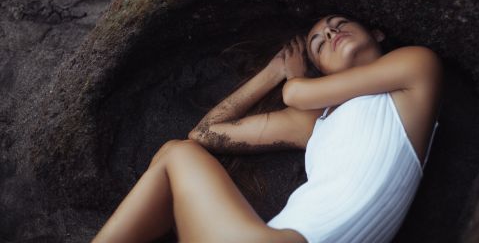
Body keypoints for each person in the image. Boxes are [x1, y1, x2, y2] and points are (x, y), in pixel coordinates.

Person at [92, 13, 443, 243]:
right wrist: (271, 73)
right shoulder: (315, 125)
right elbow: (206, 133)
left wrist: (293, 83)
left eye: (338, 23)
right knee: (179, 152)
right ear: (322, 70)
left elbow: (296, 92)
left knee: (175, 155)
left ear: (377, 32)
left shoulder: (417, 65)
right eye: (319, 42)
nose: (331, 32)